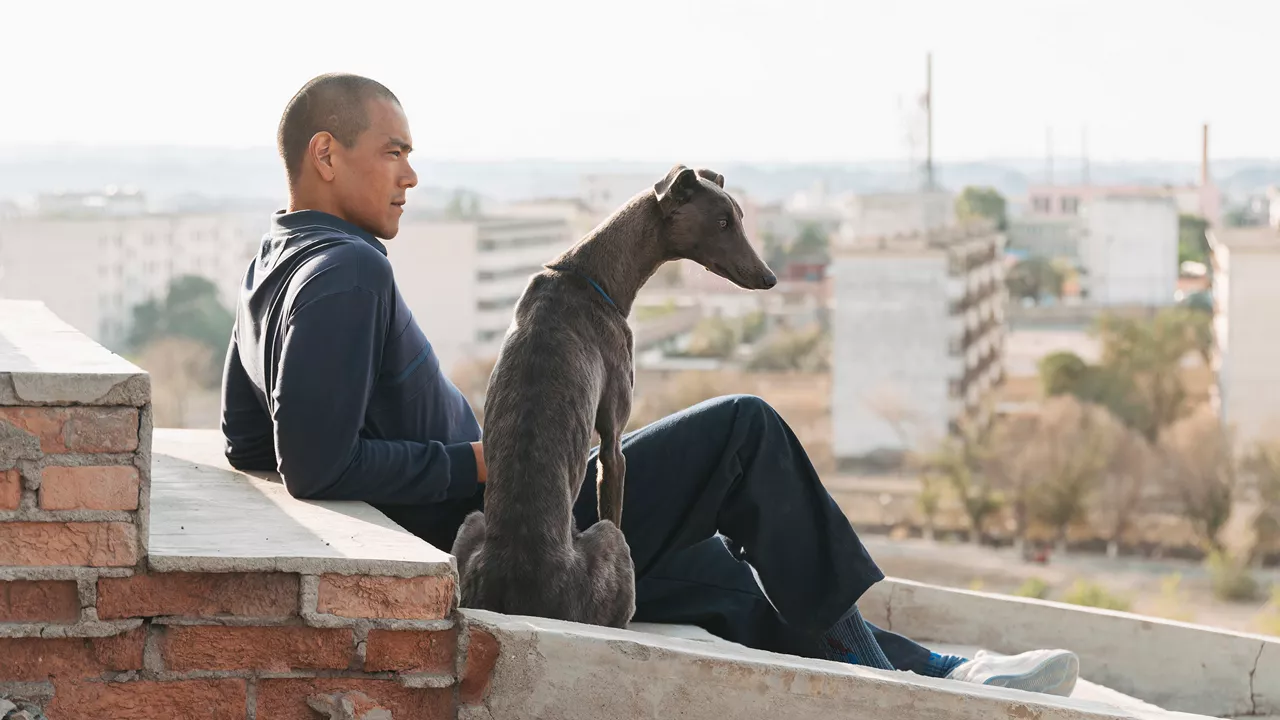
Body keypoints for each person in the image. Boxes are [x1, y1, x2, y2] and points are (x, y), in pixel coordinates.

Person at [220, 73, 1080, 696]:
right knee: (743, 434)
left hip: (522, 523)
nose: (411, 174)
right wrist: (474, 466)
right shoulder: (345, 275)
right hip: (512, 530)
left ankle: (942, 673)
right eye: (393, 152)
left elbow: (245, 442)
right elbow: (316, 465)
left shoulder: (276, 259)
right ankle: (928, 679)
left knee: (723, 580)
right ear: (326, 154)